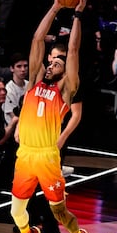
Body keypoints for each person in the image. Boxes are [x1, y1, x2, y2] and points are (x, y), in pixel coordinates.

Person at [10, 0, 90, 233]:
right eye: (50, 61)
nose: (51, 63)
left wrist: (78, 15)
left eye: (57, 62)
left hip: (46, 156)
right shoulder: (32, 82)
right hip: (25, 155)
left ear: (63, 71)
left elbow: (74, 50)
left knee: (59, 213)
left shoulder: (65, 91)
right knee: (16, 212)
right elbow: (36, 39)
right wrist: (55, 6)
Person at [47, 43, 83, 176]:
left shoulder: (71, 83)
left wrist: (63, 137)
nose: (57, 60)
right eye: (55, 58)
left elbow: (76, 114)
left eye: (61, 58)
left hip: (56, 130)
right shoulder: (42, 77)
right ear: (49, 57)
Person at [2, 52, 29, 124]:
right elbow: (12, 115)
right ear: (12, 68)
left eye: (25, 66)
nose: (23, 69)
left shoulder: (29, 85)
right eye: (19, 66)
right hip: (14, 127)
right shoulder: (8, 90)